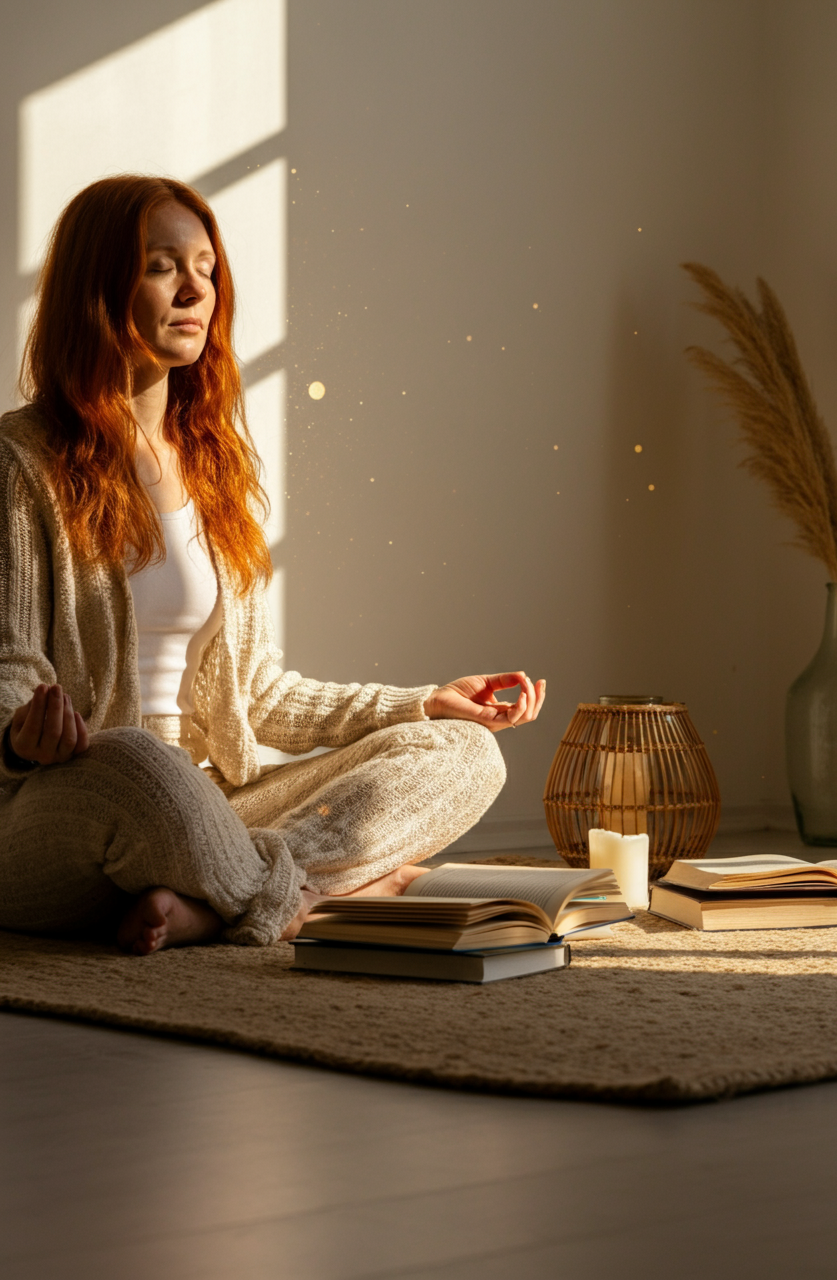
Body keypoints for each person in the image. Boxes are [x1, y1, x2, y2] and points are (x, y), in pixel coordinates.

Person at [0, 175, 546, 956]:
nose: (197, 289)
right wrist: (20, 737)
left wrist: (424, 703)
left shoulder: (211, 467)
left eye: (207, 267)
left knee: (461, 753)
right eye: (162, 267)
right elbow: (6, 666)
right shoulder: (21, 461)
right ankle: (306, 900)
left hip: (211, 810)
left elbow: (257, 694)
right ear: (98, 285)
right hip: (63, 807)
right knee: (139, 765)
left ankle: (221, 899)